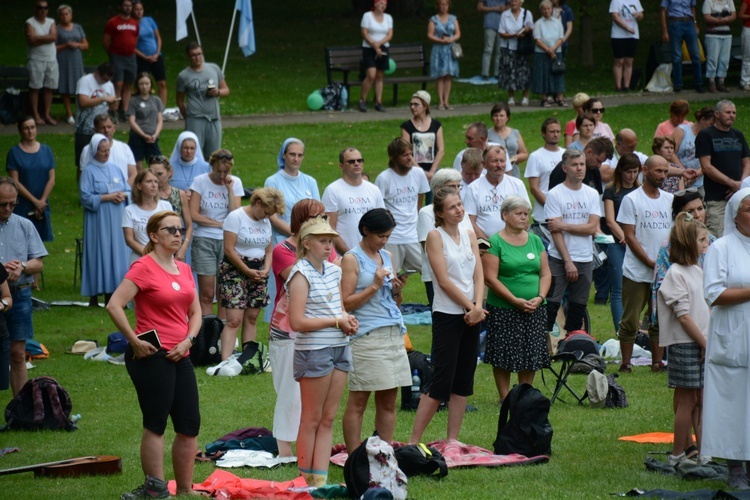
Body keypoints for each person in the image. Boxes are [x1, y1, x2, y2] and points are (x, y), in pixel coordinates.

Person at [106, 211, 202, 499]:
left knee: (189, 423)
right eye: (170, 229)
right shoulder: (143, 267)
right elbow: (114, 305)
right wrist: (133, 341)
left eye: (180, 229)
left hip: (181, 353)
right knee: (156, 422)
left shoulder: (183, 268)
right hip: (151, 355)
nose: (177, 234)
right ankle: (155, 489)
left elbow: (196, 311)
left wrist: (188, 341)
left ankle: (185, 488)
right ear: (153, 235)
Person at [408, 187, 486, 444]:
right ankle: (414, 441)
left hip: (472, 312)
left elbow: (478, 273)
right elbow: (442, 280)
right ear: (440, 213)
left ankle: (453, 440)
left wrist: (478, 304)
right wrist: (469, 307)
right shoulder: (435, 236)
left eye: (460, 205)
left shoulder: (469, 233)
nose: (459, 210)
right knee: (441, 381)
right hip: (448, 313)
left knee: (464, 380)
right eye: (452, 207)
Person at [287, 216, 358, 487]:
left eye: (331, 241)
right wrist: (335, 321)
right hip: (314, 349)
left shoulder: (334, 271)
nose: (330, 246)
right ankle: (306, 482)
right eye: (323, 241)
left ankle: (321, 479)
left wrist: (347, 319)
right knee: (312, 417)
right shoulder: (299, 273)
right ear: (307, 243)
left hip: (340, 346)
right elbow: (297, 322)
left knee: (328, 417)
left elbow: (338, 308)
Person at [269, 199, 338, 462]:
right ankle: (285, 449)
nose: (322, 220)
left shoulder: (325, 247)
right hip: (288, 329)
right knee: (290, 390)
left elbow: (337, 277)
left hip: (319, 328)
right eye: (315, 216)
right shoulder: (283, 250)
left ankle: (307, 445)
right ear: (300, 220)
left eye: (324, 215)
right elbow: (305, 281)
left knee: (313, 394)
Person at [341, 208, 410, 452]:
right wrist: (375, 285)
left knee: (389, 401)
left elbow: (394, 302)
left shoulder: (387, 256)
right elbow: (345, 303)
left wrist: (397, 289)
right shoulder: (351, 258)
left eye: (388, 236)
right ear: (365, 230)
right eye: (380, 235)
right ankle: (353, 458)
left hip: (392, 332)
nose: (384, 241)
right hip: (366, 336)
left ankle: (384, 454)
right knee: (359, 400)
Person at [702, 188, 750, 489]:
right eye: (749, 209)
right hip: (733, 334)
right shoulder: (722, 248)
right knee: (733, 401)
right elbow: (714, 293)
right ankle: (735, 467)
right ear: (735, 214)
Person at [482, 195, 550, 402]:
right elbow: (490, 278)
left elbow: (546, 273)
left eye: (526, 214)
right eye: (519, 214)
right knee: (503, 354)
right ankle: (505, 398)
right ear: (505, 215)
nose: (524, 218)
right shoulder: (495, 242)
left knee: (531, 352)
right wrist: (514, 300)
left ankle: (525, 395)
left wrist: (540, 297)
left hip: (535, 306)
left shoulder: (536, 240)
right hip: (504, 307)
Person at [657, 212, 709, 467]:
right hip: (686, 344)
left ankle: (703, 450)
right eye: (701, 239)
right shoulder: (676, 273)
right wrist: (704, 343)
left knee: (700, 399)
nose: (706, 243)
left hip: (699, 343)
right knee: (688, 401)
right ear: (688, 242)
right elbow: (684, 317)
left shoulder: (697, 270)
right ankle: (677, 454)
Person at [216, 188, 284, 371]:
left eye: (271, 214)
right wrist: (246, 271)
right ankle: (225, 361)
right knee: (234, 319)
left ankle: (248, 359)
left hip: (258, 270)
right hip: (235, 270)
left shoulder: (265, 220)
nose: (267, 217)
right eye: (267, 212)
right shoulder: (236, 217)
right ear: (258, 203)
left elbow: (269, 250)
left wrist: (267, 268)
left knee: (252, 317)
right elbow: (229, 249)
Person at [616, 155, 674, 373]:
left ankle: (657, 362)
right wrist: (649, 262)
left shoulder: (669, 199)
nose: (662, 175)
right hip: (636, 271)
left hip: (662, 272)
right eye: (658, 171)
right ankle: (626, 363)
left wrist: (663, 263)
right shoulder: (632, 199)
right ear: (645, 170)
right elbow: (629, 236)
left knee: (659, 318)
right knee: (631, 319)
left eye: (665, 171)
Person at [544, 148, 601, 334]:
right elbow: (555, 232)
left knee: (578, 307)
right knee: (551, 304)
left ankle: (572, 344)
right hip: (558, 258)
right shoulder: (555, 194)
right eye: (574, 165)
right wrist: (568, 261)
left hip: (585, 258)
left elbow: (593, 228)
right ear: (565, 168)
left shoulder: (592, 194)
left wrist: (564, 225)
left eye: (582, 164)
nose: (579, 168)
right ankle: (543, 347)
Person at [0, 178, 46, 397]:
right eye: (2, 204)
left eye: (12, 204)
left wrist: (23, 266)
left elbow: (39, 262)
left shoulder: (24, 225)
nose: (8, 208)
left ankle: (20, 411)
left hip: (19, 294)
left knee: (18, 354)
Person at [189, 149, 243, 317]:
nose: (221, 175)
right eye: (217, 171)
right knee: (206, 293)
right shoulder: (200, 182)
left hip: (226, 241)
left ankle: (222, 334)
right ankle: (207, 331)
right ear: (211, 166)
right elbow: (193, 214)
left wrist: (229, 190)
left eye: (225, 171)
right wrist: (219, 224)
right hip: (204, 239)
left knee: (223, 292)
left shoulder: (235, 182)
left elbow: (235, 214)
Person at [79, 134, 131, 306]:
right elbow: (85, 197)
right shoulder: (88, 171)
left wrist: (123, 195)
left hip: (116, 218)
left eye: (108, 150)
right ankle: (95, 293)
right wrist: (107, 197)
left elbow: (128, 190)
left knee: (116, 252)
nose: (106, 153)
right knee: (98, 251)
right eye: (102, 151)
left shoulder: (116, 168)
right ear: (95, 151)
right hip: (98, 219)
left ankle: (114, 293)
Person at [417, 169, 473, 307]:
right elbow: (428, 248)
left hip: (464, 272)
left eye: (458, 186)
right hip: (438, 275)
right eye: (451, 186)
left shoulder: (461, 212)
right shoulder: (427, 212)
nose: (456, 190)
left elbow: (470, 240)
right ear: (437, 189)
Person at [375, 138, 430, 273]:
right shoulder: (383, 178)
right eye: (405, 155)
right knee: (390, 276)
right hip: (392, 238)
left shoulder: (418, 173)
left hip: (413, 235)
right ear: (394, 157)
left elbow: (420, 196)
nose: (409, 158)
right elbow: (379, 208)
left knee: (429, 271)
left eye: (411, 154)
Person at [697, 100, 750, 237]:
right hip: (717, 199)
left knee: (742, 236)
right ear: (717, 114)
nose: (732, 115)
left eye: (734, 113)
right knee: (717, 236)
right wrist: (732, 184)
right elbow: (706, 167)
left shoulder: (738, 135)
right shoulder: (706, 135)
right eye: (728, 112)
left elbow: (746, 162)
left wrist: (740, 186)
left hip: (740, 198)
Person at [603, 153, 641, 333]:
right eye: (628, 171)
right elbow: (610, 220)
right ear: (621, 171)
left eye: (635, 171)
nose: (632, 175)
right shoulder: (611, 191)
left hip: (639, 244)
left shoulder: (640, 191)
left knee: (638, 287)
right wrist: (625, 238)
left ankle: (637, 326)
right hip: (619, 244)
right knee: (618, 288)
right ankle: (621, 330)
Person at [323, 148, 385, 255]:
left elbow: (381, 223)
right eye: (351, 161)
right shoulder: (333, 190)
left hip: (372, 254)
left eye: (359, 160)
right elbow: (330, 228)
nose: (356, 164)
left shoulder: (374, 190)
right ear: (341, 166)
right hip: (344, 256)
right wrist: (350, 255)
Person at [6, 117, 55, 246]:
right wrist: (35, 201)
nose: (30, 131)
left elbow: (52, 179)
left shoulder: (46, 150)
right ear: (20, 131)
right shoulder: (14, 153)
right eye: (26, 128)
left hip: (42, 205)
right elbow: (15, 182)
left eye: (33, 127)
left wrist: (42, 201)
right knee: (21, 242)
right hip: (23, 204)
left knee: (39, 245)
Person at [464, 144, 530, 241]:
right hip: (485, 247)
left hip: (514, 243)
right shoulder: (473, 188)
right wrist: (489, 244)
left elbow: (525, 217)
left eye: (502, 161)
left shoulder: (517, 185)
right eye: (495, 161)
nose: (499, 165)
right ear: (484, 164)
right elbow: (470, 221)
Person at [176, 41, 230, 157]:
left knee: (214, 155)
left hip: (214, 118)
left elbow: (226, 90)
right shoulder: (183, 76)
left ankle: (212, 175)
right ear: (188, 57)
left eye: (199, 54)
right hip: (195, 118)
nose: (197, 58)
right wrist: (187, 115)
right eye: (193, 55)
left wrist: (218, 92)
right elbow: (180, 100)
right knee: (194, 153)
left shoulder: (214, 68)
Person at [265, 138, 320, 246]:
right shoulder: (272, 181)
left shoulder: (310, 181)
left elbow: (318, 213)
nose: (296, 159)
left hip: (308, 242)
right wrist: (298, 235)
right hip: (283, 242)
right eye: (292, 154)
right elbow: (273, 217)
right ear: (283, 155)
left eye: (300, 155)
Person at [74, 63, 116, 176]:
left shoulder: (109, 85)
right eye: (103, 79)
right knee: (83, 162)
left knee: (104, 157)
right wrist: (102, 98)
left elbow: (111, 108)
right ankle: (82, 187)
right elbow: (82, 102)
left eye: (108, 80)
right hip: (84, 129)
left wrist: (113, 104)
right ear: (97, 73)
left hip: (103, 129)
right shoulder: (85, 81)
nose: (105, 82)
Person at [122, 169, 172, 263]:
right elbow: (129, 240)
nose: (153, 185)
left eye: (156, 182)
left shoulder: (166, 206)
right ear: (139, 185)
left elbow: (172, 232)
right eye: (149, 181)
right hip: (140, 259)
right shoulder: (129, 210)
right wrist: (149, 255)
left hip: (164, 258)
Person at [149, 157, 192, 262]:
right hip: (155, 246)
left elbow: (189, 225)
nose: (156, 178)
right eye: (152, 175)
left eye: (159, 174)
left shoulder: (179, 194)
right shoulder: (149, 196)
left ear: (169, 173)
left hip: (176, 246)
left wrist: (183, 247)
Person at [103, 0, 139, 122]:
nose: (128, 8)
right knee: (118, 84)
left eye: (130, 6)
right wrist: (112, 53)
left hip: (131, 57)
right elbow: (106, 40)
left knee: (128, 84)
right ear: (120, 7)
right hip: (117, 57)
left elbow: (136, 38)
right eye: (125, 5)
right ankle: (114, 111)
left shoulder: (134, 23)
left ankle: (125, 110)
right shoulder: (113, 22)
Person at [524, 117, 564, 226]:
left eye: (558, 131)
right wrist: (550, 205)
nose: (555, 134)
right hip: (543, 215)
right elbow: (534, 188)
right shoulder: (536, 156)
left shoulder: (566, 154)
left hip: (565, 212)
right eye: (552, 131)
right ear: (543, 133)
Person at [401, 91, 445, 186]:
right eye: (411, 104)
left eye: (416, 104)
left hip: (432, 170)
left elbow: (441, 150)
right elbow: (405, 151)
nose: (412, 107)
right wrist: (421, 172)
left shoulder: (436, 125)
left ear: (425, 106)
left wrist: (432, 172)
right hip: (413, 169)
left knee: (433, 198)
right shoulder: (407, 126)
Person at [79, 113, 137, 187]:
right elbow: (84, 178)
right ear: (95, 130)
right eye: (102, 128)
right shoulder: (87, 150)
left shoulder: (124, 148)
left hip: (123, 193)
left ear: (114, 128)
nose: (106, 130)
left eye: (109, 127)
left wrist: (123, 191)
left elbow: (133, 174)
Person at [25, 0, 58, 126]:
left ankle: (47, 114)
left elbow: (54, 37)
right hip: (36, 60)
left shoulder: (51, 22)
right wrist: (47, 38)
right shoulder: (30, 22)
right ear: (36, 9)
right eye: (40, 8)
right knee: (35, 87)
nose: (42, 10)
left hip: (51, 59)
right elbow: (31, 40)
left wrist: (38, 38)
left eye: (45, 8)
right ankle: (36, 114)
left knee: (49, 87)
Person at [661, 0, 705, 93]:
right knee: (677, 56)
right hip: (675, 22)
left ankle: (698, 83)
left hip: (689, 22)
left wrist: (695, 24)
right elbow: (663, 11)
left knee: (696, 55)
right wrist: (665, 31)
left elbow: (693, 8)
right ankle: (678, 84)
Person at [672, 105, 715, 198]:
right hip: (678, 177)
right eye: (711, 124)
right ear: (703, 119)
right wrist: (683, 171)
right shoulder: (682, 130)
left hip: (698, 181)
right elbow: (671, 153)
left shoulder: (709, 137)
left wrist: (696, 175)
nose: (712, 128)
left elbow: (709, 160)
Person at [55, 4, 87, 125]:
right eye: (62, 15)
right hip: (63, 60)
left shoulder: (78, 28)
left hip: (76, 60)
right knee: (66, 87)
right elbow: (53, 48)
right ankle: (69, 114)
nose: (64, 16)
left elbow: (86, 45)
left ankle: (79, 112)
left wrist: (77, 45)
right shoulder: (56, 29)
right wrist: (65, 46)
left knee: (79, 87)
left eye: (66, 14)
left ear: (71, 15)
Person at [497, 0, 533, 107]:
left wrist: (527, 29)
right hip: (508, 47)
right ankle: (511, 97)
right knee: (509, 71)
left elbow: (532, 28)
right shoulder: (505, 14)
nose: (513, 3)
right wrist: (513, 36)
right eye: (512, 1)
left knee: (524, 71)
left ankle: (525, 97)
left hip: (523, 47)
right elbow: (501, 32)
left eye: (516, 1)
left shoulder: (527, 13)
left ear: (521, 3)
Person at [359, 0, 393, 113]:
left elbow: (389, 34)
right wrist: (374, 45)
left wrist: (379, 45)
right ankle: (363, 100)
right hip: (369, 48)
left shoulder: (388, 18)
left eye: (384, 4)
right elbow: (364, 33)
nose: (382, 6)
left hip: (383, 47)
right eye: (380, 3)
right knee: (371, 75)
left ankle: (378, 102)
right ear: (375, 4)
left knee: (379, 76)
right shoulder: (367, 16)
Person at [132, 0, 167, 106]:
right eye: (136, 10)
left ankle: (161, 108)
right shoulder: (132, 24)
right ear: (133, 11)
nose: (139, 12)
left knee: (162, 83)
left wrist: (157, 53)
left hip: (156, 56)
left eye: (140, 9)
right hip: (142, 58)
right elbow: (132, 46)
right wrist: (145, 57)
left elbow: (158, 38)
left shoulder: (150, 20)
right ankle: (143, 107)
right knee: (143, 84)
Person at [428, 0, 461, 110]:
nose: (443, 7)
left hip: (450, 49)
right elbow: (430, 35)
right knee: (440, 76)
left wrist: (451, 39)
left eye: (445, 5)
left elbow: (458, 33)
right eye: (441, 5)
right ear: (438, 6)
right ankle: (440, 102)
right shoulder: (434, 19)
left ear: (448, 6)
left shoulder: (453, 19)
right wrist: (440, 40)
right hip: (438, 49)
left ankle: (446, 101)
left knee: (448, 75)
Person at [532, 0, 565, 107]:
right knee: (543, 75)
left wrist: (553, 49)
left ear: (552, 9)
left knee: (558, 74)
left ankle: (560, 98)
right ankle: (545, 99)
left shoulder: (557, 22)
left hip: (557, 52)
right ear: (541, 10)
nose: (546, 11)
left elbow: (561, 38)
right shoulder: (538, 23)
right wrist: (548, 50)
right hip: (542, 53)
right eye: (544, 9)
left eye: (548, 8)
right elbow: (537, 39)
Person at [128, 72, 164, 171]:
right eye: (141, 84)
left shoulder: (156, 100)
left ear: (151, 84)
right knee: (137, 166)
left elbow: (160, 120)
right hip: (137, 137)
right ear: (137, 85)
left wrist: (155, 135)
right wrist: (143, 135)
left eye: (147, 84)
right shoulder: (134, 101)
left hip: (152, 137)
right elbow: (132, 121)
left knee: (156, 165)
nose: (144, 86)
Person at [487, 101, 528, 178]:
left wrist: (514, 158)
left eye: (501, 116)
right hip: (495, 172)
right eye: (496, 115)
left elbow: (524, 153)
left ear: (507, 118)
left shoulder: (515, 133)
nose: (498, 118)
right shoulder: (487, 134)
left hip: (514, 172)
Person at [610, 0, 643, 92]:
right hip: (618, 35)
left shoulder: (635, 1)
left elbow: (641, 15)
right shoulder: (616, 1)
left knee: (629, 60)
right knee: (619, 61)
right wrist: (627, 28)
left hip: (633, 35)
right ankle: (618, 86)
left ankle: (627, 86)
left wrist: (638, 15)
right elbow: (615, 17)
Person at [478, 0, 507, 80]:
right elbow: (480, 7)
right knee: (488, 49)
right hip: (489, 23)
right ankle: (485, 73)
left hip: (502, 24)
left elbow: (511, 5)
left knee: (499, 50)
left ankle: (497, 73)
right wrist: (495, 8)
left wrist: (504, 8)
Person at [740, 0, 750, 91]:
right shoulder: (747, 1)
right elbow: (741, 15)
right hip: (748, 29)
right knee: (747, 56)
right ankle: (745, 81)